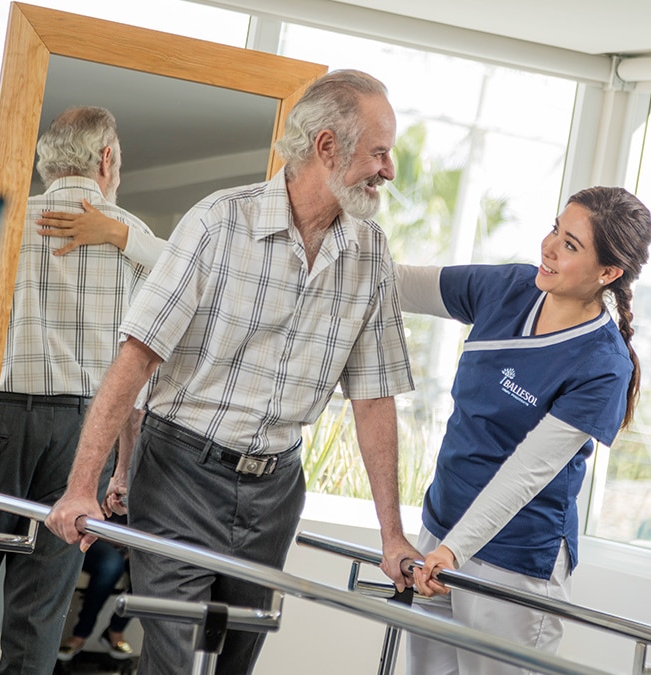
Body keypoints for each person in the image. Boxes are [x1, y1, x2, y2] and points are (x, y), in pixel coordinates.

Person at [44, 69, 419, 675]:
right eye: (379, 151)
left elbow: (374, 399)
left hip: (275, 490)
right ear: (327, 147)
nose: (390, 169)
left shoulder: (370, 253)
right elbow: (135, 358)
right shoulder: (219, 223)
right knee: (176, 661)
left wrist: (392, 535)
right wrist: (82, 484)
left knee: (235, 661)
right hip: (179, 475)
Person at [399, 186, 651, 675]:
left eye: (571, 244)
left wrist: (455, 549)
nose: (549, 246)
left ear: (608, 273)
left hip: (512, 564)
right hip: (440, 530)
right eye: (555, 228)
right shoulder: (511, 289)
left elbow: (526, 473)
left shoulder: (602, 365)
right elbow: (403, 284)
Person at [0, 106, 163, 674]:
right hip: (84, 432)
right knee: (41, 609)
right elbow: (140, 368)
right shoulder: (134, 238)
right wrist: (124, 467)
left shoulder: (3, 222)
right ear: (106, 159)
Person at [56, 514, 136, 663]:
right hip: (94, 533)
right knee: (111, 565)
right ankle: (81, 634)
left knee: (151, 569)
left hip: (133, 539)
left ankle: (116, 629)